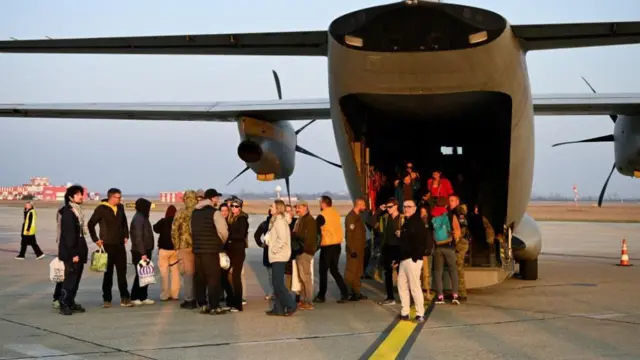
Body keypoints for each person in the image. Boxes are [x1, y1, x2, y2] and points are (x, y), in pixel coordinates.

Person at [88, 188, 132, 308]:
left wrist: (126, 235)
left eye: (120, 197)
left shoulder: (121, 207)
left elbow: (124, 222)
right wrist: (96, 239)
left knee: (122, 273)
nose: (120, 199)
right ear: (111, 197)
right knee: (108, 273)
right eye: (118, 197)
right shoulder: (101, 209)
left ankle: (125, 298)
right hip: (107, 244)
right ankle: (107, 299)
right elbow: (90, 224)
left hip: (119, 245)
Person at [191, 188, 229, 315]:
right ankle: (214, 305)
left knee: (200, 278)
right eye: (216, 198)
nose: (218, 200)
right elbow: (223, 231)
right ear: (212, 199)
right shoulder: (215, 212)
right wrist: (220, 242)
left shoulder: (195, 212)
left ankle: (202, 304)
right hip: (211, 250)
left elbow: (191, 231)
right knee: (214, 278)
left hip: (197, 250)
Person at [57, 185, 89, 316]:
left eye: (81, 194)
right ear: (71, 197)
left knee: (76, 279)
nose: (81, 196)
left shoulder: (77, 211)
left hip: (79, 250)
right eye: (78, 194)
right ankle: (64, 303)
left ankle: (70, 301)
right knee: (70, 278)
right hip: (72, 252)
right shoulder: (69, 213)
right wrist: (74, 254)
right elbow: (69, 235)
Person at [396, 200, 429, 322]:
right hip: (404, 259)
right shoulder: (407, 222)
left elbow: (421, 242)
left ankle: (420, 313)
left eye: (409, 207)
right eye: (404, 206)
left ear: (415, 208)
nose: (406, 209)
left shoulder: (417, 223)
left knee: (415, 287)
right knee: (402, 285)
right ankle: (405, 312)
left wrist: (415, 257)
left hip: (412, 259)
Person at [314, 195, 349, 304]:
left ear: (324, 204)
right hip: (337, 245)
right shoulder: (335, 213)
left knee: (323, 271)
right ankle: (345, 292)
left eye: (320, 203)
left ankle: (321, 295)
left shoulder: (322, 215)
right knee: (334, 270)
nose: (320, 205)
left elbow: (315, 229)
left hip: (327, 246)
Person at [265, 199, 297, 316]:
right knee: (276, 283)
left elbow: (282, 239)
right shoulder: (275, 221)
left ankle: (291, 305)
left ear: (277, 209)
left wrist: (274, 249)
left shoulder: (279, 222)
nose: (270, 208)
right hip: (277, 255)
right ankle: (278, 308)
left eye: (272, 206)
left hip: (279, 256)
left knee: (278, 283)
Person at [431, 198, 461, 305]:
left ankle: (440, 297)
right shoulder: (451, 216)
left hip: (438, 247)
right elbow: (457, 232)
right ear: (446, 206)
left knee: (438, 272)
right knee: (453, 270)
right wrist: (455, 239)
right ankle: (455, 295)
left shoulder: (433, 216)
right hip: (449, 247)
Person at [375, 198, 404, 306]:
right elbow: (372, 221)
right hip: (387, 247)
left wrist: (402, 233)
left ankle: (404, 297)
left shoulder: (402, 218)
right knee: (388, 273)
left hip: (399, 247)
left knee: (402, 273)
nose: (388, 209)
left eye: (390, 207)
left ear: (396, 206)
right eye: (387, 207)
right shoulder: (385, 218)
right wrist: (379, 210)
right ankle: (390, 297)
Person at [171, 190, 198, 309]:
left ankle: (189, 299)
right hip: (199, 246)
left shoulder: (181, 212)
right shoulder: (199, 211)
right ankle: (199, 297)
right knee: (198, 273)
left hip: (184, 246)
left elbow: (174, 230)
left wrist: (176, 246)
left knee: (187, 274)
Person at [130, 198, 155, 306]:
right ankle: (134, 297)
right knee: (140, 275)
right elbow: (138, 237)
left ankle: (143, 296)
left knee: (146, 275)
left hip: (146, 250)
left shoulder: (144, 217)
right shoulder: (138, 219)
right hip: (140, 252)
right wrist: (142, 253)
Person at [225, 198, 249, 312]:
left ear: (240, 208)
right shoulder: (231, 218)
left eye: (236, 206)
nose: (234, 208)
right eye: (232, 206)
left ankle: (238, 304)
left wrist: (229, 236)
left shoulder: (242, 219)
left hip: (238, 250)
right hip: (231, 250)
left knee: (236, 276)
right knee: (225, 275)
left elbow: (241, 235)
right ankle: (231, 300)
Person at [293, 200, 317, 310]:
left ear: (305, 207)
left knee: (306, 277)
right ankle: (303, 299)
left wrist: (305, 249)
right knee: (302, 277)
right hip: (300, 251)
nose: (297, 209)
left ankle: (308, 301)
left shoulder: (309, 220)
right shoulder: (301, 219)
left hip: (304, 252)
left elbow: (310, 238)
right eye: (296, 207)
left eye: (299, 207)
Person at [344, 198, 369, 301]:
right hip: (354, 250)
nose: (365, 208)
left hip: (360, 249)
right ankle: (347, 292)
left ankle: (356, 292)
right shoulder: (351, 217)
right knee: (351, 271)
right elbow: (349, 236)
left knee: (358, 271)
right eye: (364, 205)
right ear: (359, 205)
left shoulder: (358, 217)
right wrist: (352, 250)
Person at [154, 205, 180, 301]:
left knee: (164, 273)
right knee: (175, 273)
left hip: (163, 250)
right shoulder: (177, 222)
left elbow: (155, 229)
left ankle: (165, 294)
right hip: (175, 250)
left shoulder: (163, 221)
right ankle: (175, 294)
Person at [449, 195, 470, 301]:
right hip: (457, 243)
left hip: (461, 243)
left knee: (458, 267)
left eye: (452, 200)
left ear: (457, 201)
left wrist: (455, 237)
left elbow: (462, 229)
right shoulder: (453, 212)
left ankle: (462, 293)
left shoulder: (460, 212)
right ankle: (457, 291)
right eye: (449, 201)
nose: (450, 202)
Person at [254, 209, 274, 300]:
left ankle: (273, 292)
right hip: (271, 251)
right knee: (274, 274)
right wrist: (261, 244)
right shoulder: (266, 224)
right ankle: (274, 292)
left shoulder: (265, 223)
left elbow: (256, 235)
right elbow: (256, 235)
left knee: (271, 274)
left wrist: (261, 244)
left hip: (269, 251)